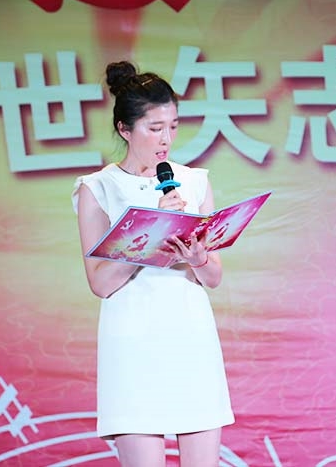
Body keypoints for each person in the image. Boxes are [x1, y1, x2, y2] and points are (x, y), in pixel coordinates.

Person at [72, 61, 234, 466]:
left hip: (190, 335)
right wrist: (152, 230)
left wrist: (198, 257)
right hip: (132, 343)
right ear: (125, 129)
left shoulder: (193, 182)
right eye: (155, 127)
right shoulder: (98, 188)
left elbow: (213, 276)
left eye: (173, 126)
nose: (166, 138)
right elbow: (100, 283)